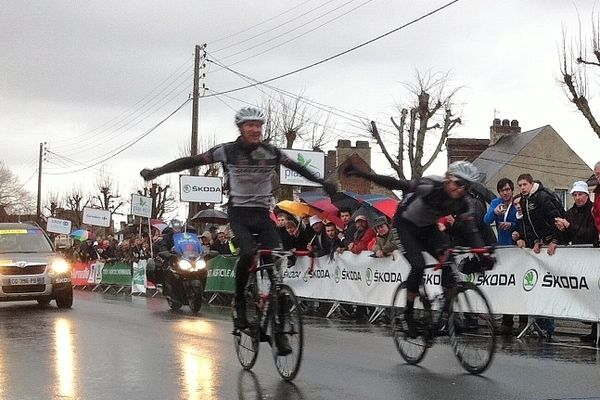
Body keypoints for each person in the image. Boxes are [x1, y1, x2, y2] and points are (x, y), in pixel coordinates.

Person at [140, 106, 336, 355]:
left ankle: (279, 328)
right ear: (241, 129)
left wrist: (323, 182)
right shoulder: (227, 151)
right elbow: (191, 161)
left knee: (276, 257)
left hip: (263, 215)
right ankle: (241, 304)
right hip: (240, 215)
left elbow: (298, 168)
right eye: (249, 125)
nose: (255, 129)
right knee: (247, 253)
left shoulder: (270, 152)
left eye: (258, 125)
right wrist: (157, 171)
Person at [344, 160, 493, 338]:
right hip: (405, 225)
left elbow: (471, 231)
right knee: (419, 265)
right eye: (458, 183)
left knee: (449, 260)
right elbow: (395, 183)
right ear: (447, 179)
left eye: (467, 187)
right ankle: (408, 315)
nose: (461, 189)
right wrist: (363, 174)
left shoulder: (465, 202)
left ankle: (447, 313)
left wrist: (483, 253)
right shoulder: (430, 186)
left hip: (428, 227)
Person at [484, 178, 518, 246]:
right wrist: (494, 212)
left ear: (512, 190)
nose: (505, 193)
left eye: (507, 189)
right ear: (499, 192)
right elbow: (486, 220)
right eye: (502, 191)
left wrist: (511, 225)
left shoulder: (518, 201)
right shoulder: (496, 202)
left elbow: (524, 223)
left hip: (518, 244)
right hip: (503, 245)